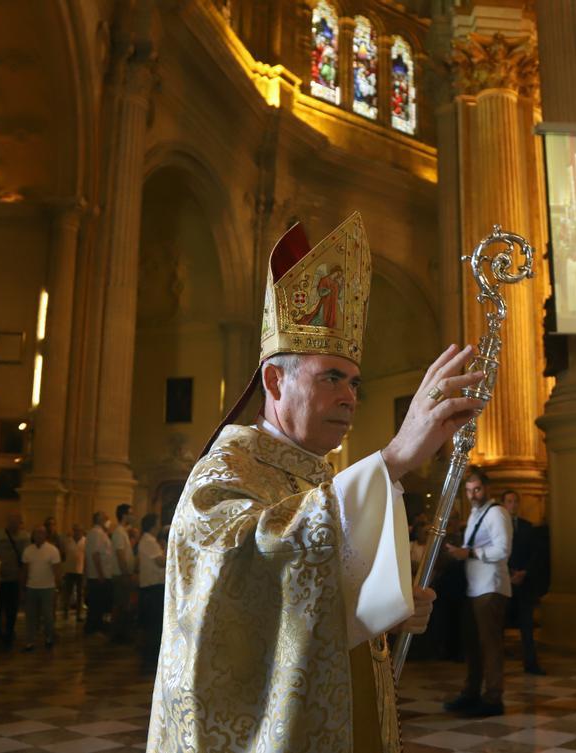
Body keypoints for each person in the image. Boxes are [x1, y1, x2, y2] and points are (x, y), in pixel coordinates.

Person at [147, 214, 468, 753]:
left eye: (355, 382)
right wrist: (390, 461)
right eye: (331, 378)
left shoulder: (320, 476)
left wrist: (387, 604)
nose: (350, 397)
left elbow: (323, 598)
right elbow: (243, 577)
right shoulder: (224, 472)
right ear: (275, 380)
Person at [442, 469, 513, 717]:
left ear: (487, 488)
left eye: (477, 489)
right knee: (472, 644)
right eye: (469, 490)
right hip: (474, 587)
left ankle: (494, 699)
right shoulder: (475, 514)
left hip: (490, 587)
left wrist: (469, 553)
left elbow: (503, 550)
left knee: (490, 645)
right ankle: (471, 693)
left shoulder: (497, 513)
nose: (473, 495)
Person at [503, 489, 545, 675]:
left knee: (527, 627)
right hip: (503, 583)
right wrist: (508, 573)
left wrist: (524, 572)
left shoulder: (528, 527)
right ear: (504, 504)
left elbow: (536, 554)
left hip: (524, 583)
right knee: (498, 627)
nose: (512, 505)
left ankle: (531, 664)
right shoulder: (498, 526)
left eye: (515, 501)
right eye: (509, 501)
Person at [21, 525, 61, 651]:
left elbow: (57, 570)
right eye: (37, 533)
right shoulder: (28, 550)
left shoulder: (52, 550)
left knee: (48, 616)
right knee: (31, 616)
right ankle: (30, 641)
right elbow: (24, 570)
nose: (39, 536)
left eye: (41, 533)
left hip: (47, 587)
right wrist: (22, 587)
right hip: (31, 586)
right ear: (33, 536)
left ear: (45, 536)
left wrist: (57, 587)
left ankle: (49, 638)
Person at [0, 512, 27, 648]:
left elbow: (25, 558)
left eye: (16, 522)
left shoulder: (25, 537)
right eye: (11, 522)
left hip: (15, 578)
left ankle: (9, 633)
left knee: (12, 608)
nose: (14, 525)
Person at [137, 513, 165, 660]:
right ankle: (151, 654)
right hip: (153, 586)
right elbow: (161, 562)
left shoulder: (149, 540)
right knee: (153, 623)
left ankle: (151, 651)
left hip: (153, 586)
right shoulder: (149, 541)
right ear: (153, 525)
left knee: (153, 622)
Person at [110, 503, 136, 643]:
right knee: (120, 605)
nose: (133, 516)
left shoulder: (122, 531)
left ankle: (120, 633)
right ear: (124, 515)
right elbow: (120, 555)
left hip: (123, 573)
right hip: (121, 575)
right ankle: (117, 635)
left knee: (124, 604)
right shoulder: (119, 532)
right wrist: (126, 573)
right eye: (130, 513)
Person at [84, 511, 113, 634]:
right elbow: (95, 554)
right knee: (96, 604)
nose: (107, 519)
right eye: (104, 518)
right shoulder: (96, 533)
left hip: (98, 574)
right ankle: (93, 627)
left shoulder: (99, 533)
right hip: (98, 575)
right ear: (99, 520)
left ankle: (96, 625)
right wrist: (100, 574)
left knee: (98, 603)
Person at [59, 522, 85, 621]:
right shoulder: (67, 541)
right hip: (69, 570)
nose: (77, 532)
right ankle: (65, 612)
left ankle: (79, 614)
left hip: (80, 570)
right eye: (75, 530)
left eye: (79, 530)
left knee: (80, 593)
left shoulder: (85, 541)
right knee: (67, 592)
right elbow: (62, 553)